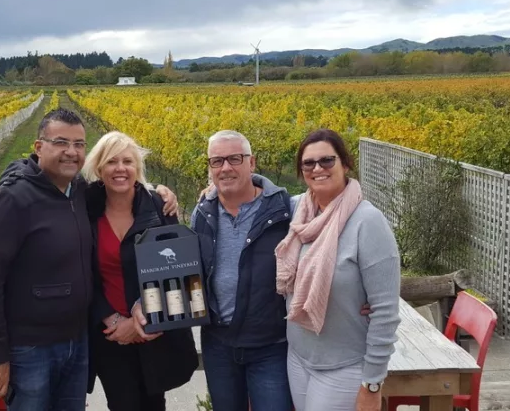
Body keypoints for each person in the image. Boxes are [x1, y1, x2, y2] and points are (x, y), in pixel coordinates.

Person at [0, 108, 178, 411]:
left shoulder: (79, 192)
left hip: (78, 343)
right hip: (31, 349)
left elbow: (125, 186)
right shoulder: (13, 199)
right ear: (39, 147)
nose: (71, 152)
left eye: (79, 144)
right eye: (61, 142)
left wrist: (160, 191)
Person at [135, 130, 295, 411]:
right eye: (217, 161)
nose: (226, 168)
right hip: (219, 344)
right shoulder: (202, 212)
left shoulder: (283, 209)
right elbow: (185, 268)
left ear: (252, 162)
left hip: (270, 344)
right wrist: (148, 300)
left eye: (235, 158)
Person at [275, 128, 401, 411]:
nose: (318, 168)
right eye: (309, 163)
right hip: (298, 357)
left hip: (344, 366)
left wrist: (372, 383)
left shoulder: (367, 222)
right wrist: (214, 187)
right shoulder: (299, 210)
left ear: (345, 164)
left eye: (327, 161)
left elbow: (386, 311)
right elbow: (259, 193)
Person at [82, 131, 198, 411]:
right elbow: (82, 273)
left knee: (154, 402)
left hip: (153, 328)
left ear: (138, 168)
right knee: (122, 404)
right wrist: (112, 320)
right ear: (99, 168)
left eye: (127, 161)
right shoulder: (85, 208)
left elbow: (178, 269)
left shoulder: (159, 207)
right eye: (111, 162)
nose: (120, 169)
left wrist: (139, 320)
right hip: (109, 334)